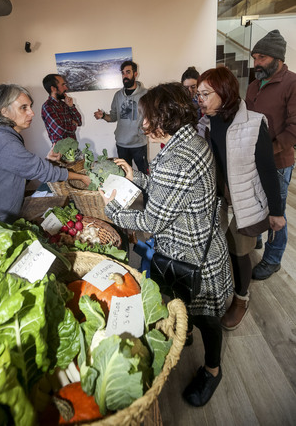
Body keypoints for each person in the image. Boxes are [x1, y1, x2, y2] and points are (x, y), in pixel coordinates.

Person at [99, 82, 233, 407]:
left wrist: (112, 206)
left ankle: (212, 370)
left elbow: (149, 222)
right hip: (202, 245)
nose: (143, 124)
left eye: (148, 117)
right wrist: (137, 177)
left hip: (191, 256)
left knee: (206, 318)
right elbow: (168, 188)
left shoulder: (176, 159)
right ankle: (184, 333)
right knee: (193, 310)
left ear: (165, 117)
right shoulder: (190, 142)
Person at [196, 67, 285, 330]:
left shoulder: (254, 123)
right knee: (222, 249)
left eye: (205, 94)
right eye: (198, 94)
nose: (200, 99)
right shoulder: (205, 124)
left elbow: (268, 171)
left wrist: (276, 211)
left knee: (241, 252)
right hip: (218, 201)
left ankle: (241, 298)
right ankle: (225, 289)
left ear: (223, 93)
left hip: (244, 202)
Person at [0, 84, 89, 223]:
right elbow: (42, 171)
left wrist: (47, 160)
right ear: (4, 111)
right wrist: (80, 177)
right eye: (24, 108)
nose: (32, 113)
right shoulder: (1, 140)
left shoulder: (2, 136)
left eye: (30, 106)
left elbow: (20, 172)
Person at [246, 29, 296, 280]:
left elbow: (294, 128)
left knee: (276, 213)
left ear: (278, 57)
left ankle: (273, 258)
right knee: (256, 203)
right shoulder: (254, 85)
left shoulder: (292, 83)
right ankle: (255, 237)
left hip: (277, 161)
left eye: (262, 57)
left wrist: (269, 150)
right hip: (254, 159)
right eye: (255, 57)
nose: (256, 63)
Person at [94, 60, 148, 174]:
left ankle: (145, 193)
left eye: (128, 72)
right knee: (124, 174)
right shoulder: (118, 95)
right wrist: (103, 116)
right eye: (123, 73)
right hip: (121, 144)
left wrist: (147, 129)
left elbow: (152, 117)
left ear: (135, 74)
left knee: (143, 173)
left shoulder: (145, 94)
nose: (125, 76)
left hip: (139, 144)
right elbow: (113, 117)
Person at [41, 73, 82, 144]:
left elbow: (79, 122)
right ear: (53, 88)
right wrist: (73, 124)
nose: (66, 88)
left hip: (73, 147)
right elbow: (60, 131)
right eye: (63, 85)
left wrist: (71, 106)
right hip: (60, 153)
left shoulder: (64, 104)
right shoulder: (47, 107)